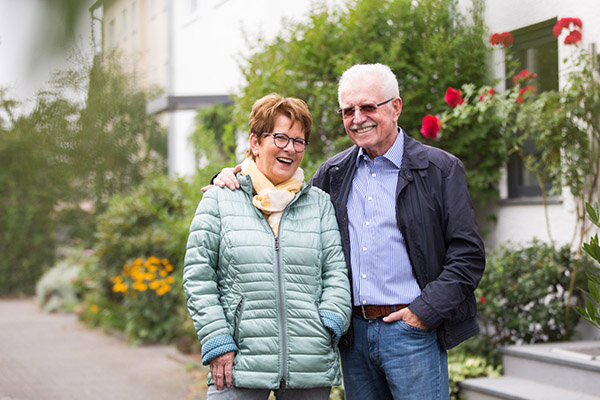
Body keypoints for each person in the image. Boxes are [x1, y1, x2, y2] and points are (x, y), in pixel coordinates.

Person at [211, 64, 486, 400]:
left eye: (368, 107)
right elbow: (285, 200)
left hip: (412, 332)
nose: (358, 118)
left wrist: (423, 313)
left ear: (395, 107)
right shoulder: (334, 173)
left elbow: (468, 256)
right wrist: (233, 177)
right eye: (348, 110)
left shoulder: (439, 169)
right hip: (353, 338)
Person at [183, 93, 352, 400]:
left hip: (308, 361)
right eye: (281, 137)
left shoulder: (319, 204)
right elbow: (198, 277)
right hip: (238, 361)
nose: (291, 148)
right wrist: (218, 340)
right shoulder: (220, 199)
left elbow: (337, 273)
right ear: (255, 142)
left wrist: (328, 325)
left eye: (299, 141)